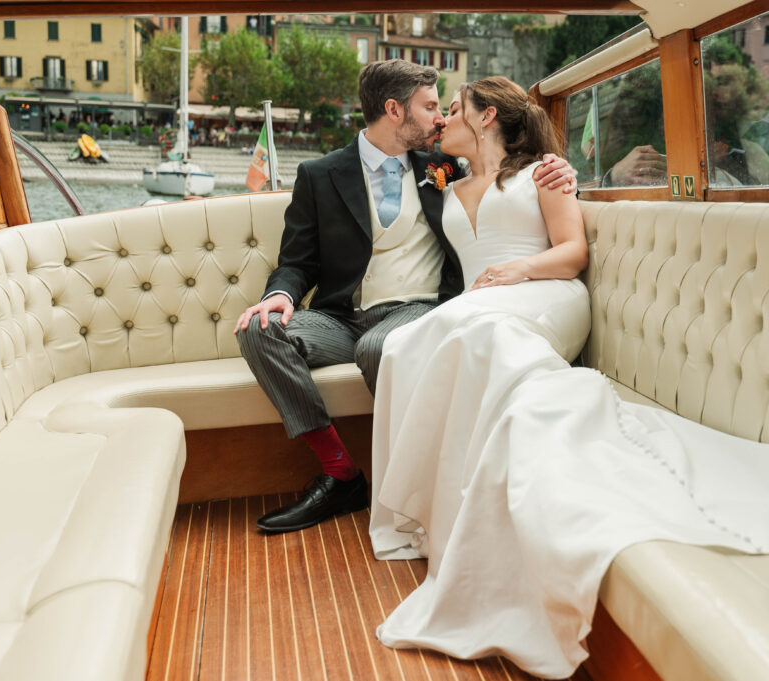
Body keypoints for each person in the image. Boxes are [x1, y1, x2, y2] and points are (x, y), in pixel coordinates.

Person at [367, 77, 769, 678]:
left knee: (484, 339)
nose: (442, 122)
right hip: (481, 303)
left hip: (546, 293)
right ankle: (435, 514)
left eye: (453, 110)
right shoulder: (444, 180)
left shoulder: (544, 173)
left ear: (486, 118)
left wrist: (521, 270)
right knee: (406, 344)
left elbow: (573, 252)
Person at [234, 60, 576, 535]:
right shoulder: (320, 174)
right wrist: (279, 296)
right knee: (258, 328)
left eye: (444, 108)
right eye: (431, 106)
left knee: (381, 346)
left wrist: (555, 164)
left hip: (416, 309)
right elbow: (297, 262)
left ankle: (413, 480)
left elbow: (506, 162)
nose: (441, 118)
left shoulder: (445, 167)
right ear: (394, 110)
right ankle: (341, 474)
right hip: (339, 317)